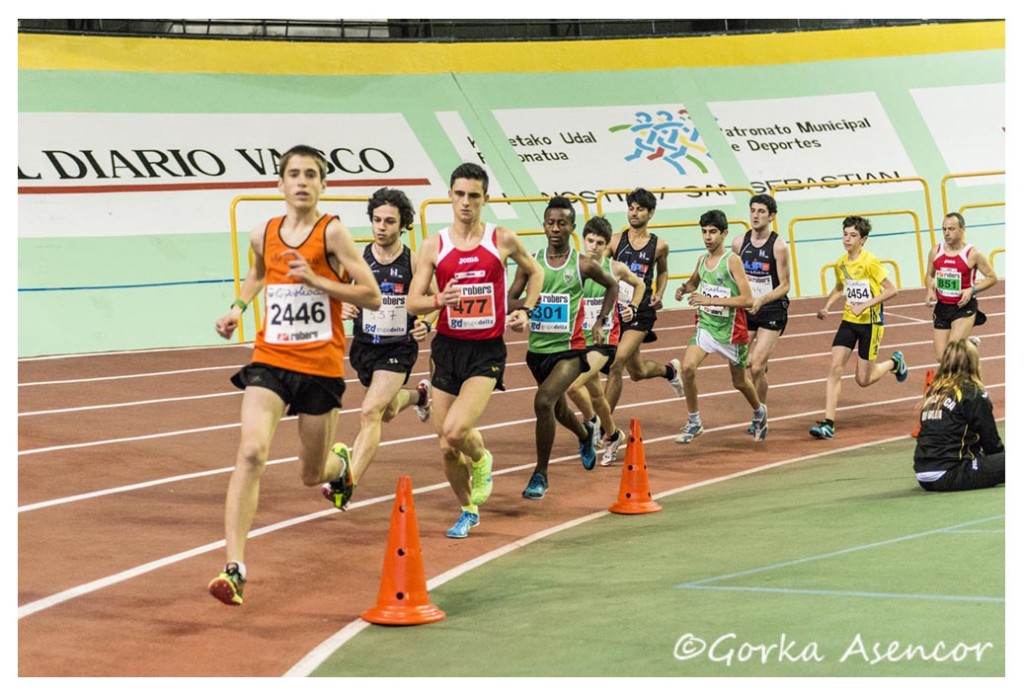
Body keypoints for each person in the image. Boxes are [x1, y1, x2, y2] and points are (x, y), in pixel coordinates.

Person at [208, 145, 382, 605]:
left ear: (323, 185)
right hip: (270, 359)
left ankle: (340, 467)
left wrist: (320, 282)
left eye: (311, 175)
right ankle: (235, 567)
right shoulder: (262, 232)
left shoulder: (334, 234)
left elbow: (372, 296)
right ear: (280, 183)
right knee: (250, 452)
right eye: (294, 174)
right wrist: (236, 309)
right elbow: (257, 275)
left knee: (310, 475)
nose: (302, 182)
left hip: (320, 368)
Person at [406, 162, 542, 538]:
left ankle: (482, 459)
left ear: (485, 199)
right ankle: (468, 509)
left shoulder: (501, 239)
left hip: (486, 351)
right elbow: (412, 303)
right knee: (446, 446)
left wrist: (525, 311)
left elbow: (536, 272)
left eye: (474, 196)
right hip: (448, 348)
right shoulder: (435, 245)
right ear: (450, 195)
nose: (466, 203)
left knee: (456, 429)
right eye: (460, 194)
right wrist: (438, 298)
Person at [321, 187, 438, 510]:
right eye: (376, 220)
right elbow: (337, 292)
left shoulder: (413, 261)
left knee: (369, 411)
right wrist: (342, 306)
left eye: (389, 221)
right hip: (364, 348)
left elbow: (438, 298)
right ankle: (419, 396)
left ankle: (347, 481)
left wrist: (427, 323)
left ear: (403, 225)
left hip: (399, 348)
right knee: (385, 410)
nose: (381, 227)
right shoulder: (358, 260)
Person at [507, 198, 619, 499]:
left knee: (543, 402)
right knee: (556, 409)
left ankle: (540, 474)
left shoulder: (582, 264)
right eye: (550, 222)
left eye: (562, 223)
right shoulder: (531, 264)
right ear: (544, 225)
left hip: (570, 351)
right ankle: (585, 434)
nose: (555, 228)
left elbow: (613, 286)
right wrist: (527, 305)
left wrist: (601, 320)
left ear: (572, 228)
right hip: (537, 353)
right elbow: (509, 299)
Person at [672, 210, 767, 444]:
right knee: (688, 368)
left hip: (731, 332)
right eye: (704, 232)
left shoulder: (731, 261)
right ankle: (694, 421)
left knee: (739, 382)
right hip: (706, 326)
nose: (707, 237)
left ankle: (759, 411)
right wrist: (684, 288)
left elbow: (747, 300)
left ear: (724, 233)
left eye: (712, 232)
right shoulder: (702, 260)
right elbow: (696, 281)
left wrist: (709, 300)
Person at [809, 215, 907, 440]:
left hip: (871, 324)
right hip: (848, 321)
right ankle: (828, 423)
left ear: (863, 239)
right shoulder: (841, 263)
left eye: (853, 235)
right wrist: (826, 306)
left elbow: (892, 290)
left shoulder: (870, 262)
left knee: (863, 380)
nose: (847, 239)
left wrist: (865, 304)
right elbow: (839, 287)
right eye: (845, 234)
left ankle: (895, 362)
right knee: (835, 368)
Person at [566, 215, 643, 466]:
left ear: (606, 244)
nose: (594, 247)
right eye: (590, 241)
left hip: (605, 340)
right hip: (580, 338)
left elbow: (639, 284)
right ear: (583, 240)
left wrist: (632, 306)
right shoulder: (576, 266)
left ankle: (590, 426)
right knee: (597, 396)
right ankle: (612, 434)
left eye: (600, 242)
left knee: (574, 386)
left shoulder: (615, 268)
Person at [604, 187, 684, 411]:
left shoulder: (659, 245)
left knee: (616, 363)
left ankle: (602, 425)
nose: (634, 213)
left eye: (640, 209)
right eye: (631, 208)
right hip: (617, 309)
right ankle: (670, 371)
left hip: (642, 310)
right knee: (637, 372)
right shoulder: (614, 242)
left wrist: (659, 292)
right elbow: (599, 268)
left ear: (651, 213)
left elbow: (663, 272)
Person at [731, 194, 791, 437]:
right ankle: (761, 366)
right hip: (747, 310)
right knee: (741, 363)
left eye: (761, 212)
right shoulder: (739, 243)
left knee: (755, 367)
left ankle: (761, 415)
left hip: (771, 310)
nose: (755, 215)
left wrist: (762, 299)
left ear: (772, 216)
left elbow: (785, 285)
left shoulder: (778, 246)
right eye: (752, 210)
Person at [914, 339, 1004, 491]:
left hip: (923, 475)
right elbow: (991, 443)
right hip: (951, 472)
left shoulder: (935, 392)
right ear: (973, 362)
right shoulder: (972, 393)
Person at [925, 212, 997, 362]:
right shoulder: (935, 252)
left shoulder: (973, 254)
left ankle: (963, 351)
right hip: (942, 307)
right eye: (944, 229)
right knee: (941, 358)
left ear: (962, 230)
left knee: (951, 354)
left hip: (964, 307)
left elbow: (992, 278)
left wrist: (972, 289)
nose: (946, 233)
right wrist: (930, 290)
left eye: (951, 229)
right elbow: (929, 276)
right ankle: (968, 345)